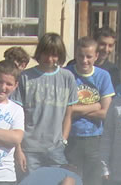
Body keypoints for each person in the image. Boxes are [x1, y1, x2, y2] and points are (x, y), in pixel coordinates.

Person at [64, 35, 114, 185]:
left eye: (89, 57)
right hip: (71, 141)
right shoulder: (68, 75)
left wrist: (76, 109)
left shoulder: (103, 77)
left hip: (95, 141)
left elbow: (106, 112)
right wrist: (89, 107)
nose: (84, 60)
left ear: (96, 57)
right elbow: (64, 109)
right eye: (81, 56)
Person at [15, 33, 77, 170]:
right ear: (39, 53)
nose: (49, 59)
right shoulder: (25, 77)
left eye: (54, 55)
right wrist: (18, 148)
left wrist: (63, 140)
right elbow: (16, 116)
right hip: (29, 148)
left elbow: (68, 114)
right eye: (46, 54)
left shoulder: (67, 77)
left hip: (55, 148)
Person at [94, 26, 121, 91]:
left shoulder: (113, 71)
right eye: (102, 44)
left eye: (110, 46)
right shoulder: (77, 65)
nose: (106, 49)